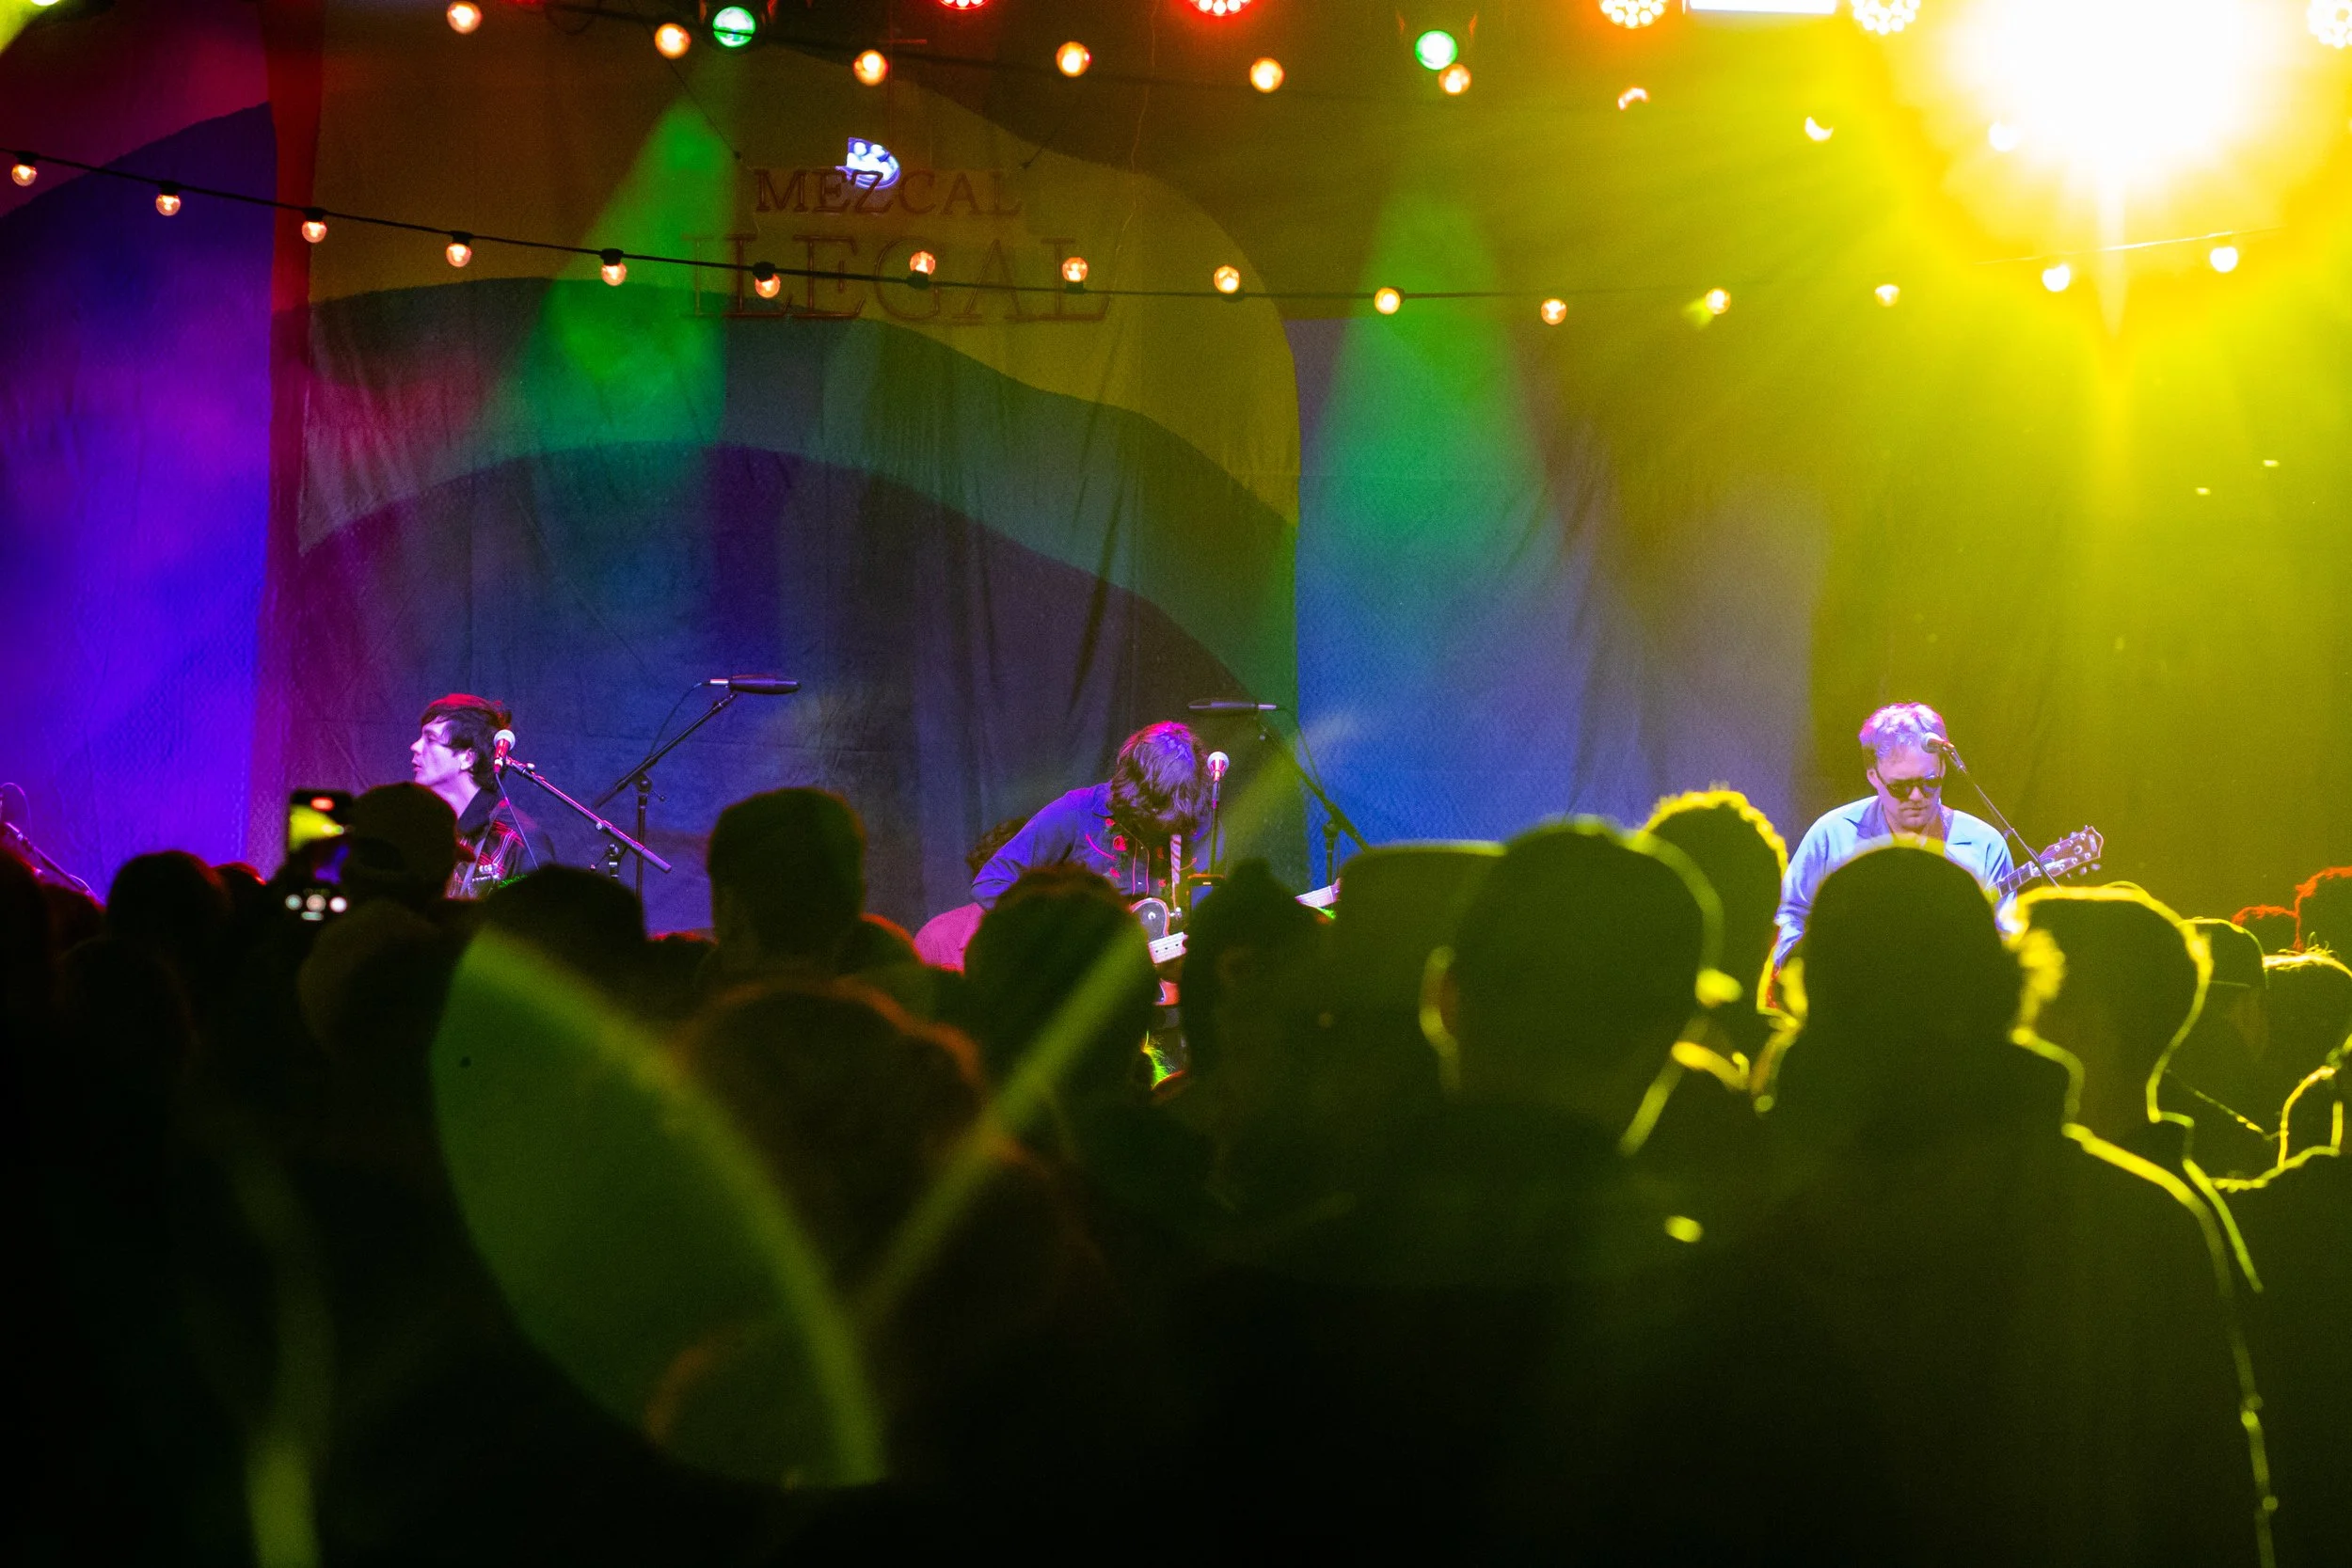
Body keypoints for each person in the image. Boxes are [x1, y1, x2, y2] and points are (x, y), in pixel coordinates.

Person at [1772, 703, 2016, 972]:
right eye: (1900, 786)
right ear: (1874, 777)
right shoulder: (1833, 834)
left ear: (1944, 769)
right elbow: (1788, 916)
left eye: (1929, 782)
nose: (1916, 796)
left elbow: (2006, 941)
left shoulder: (1985, 846)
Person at [972, 722, 1207, 910]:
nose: (1161, 826)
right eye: (1156, 813)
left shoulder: (1199, 823)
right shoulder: (1075, 812)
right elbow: (992, 883)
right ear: (1137, 791)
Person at [409, 693, 549, 898]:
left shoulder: (517, 841)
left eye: (430, 739)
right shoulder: (424, 828)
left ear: (468, 757)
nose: (415, 746)